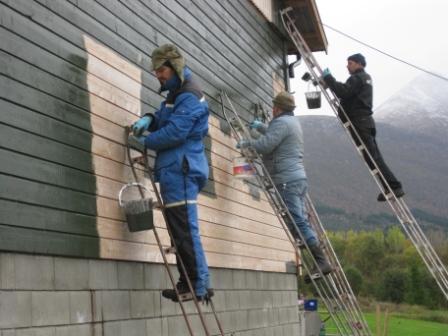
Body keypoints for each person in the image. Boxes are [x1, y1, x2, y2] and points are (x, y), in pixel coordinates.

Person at [131, 44, 211, 301]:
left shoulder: (189, 95)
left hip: (182, 170)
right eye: (156, 71)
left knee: (185, 230)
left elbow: (176, 132)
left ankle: (196, 286)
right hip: (174, 171)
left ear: (174, 65)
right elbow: (165, 120)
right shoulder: (175, 94)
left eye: (161, 69)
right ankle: (188, 282)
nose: (158, 75)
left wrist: (146, 140)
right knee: (180, 231)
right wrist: (149, 119)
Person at [237, 92, 332, 280]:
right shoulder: (291, 123)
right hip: (297, 178)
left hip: (287, 179)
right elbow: (275, 136)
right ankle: (310, 248)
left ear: (277, 108)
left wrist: (248, 143)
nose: (272, 109)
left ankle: (321, 261)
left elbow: (266, 145)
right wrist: (262, 127)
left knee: (297, 220)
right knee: (297, 219)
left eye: (273, 107)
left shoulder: (281, 123)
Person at [322, 53, 404, 202]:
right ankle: (389, 186)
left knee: (373, 156)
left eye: (350, 63)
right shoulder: (365, 78)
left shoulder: (357, 78)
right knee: (373, 156)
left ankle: (394, 186)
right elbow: (348, 92)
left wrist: (329, 78)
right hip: (366, 122)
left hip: (359, 121)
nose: (348, 66)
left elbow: (344, 92)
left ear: (359, 64)